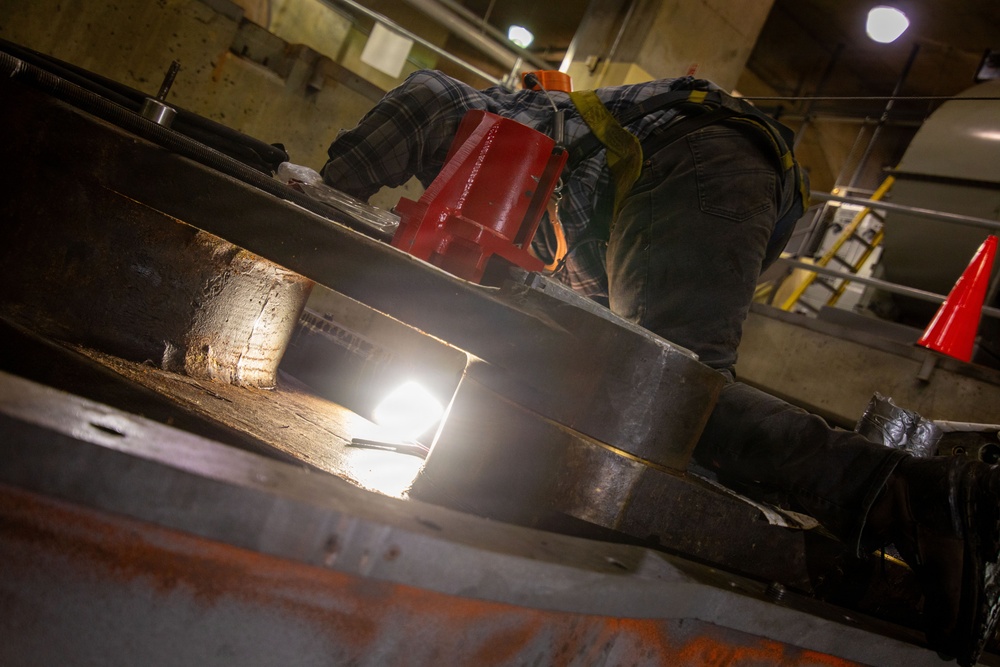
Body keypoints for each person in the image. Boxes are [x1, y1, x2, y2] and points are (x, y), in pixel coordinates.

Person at [321, 69, 1000, 665]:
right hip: (718, 176)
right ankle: (889, 503)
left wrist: (325, 186)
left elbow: (423, 96)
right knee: (660, 400)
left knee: (665, 400)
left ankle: (904, 495)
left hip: (693, 157)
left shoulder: (492, 122)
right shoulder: (564, 233)